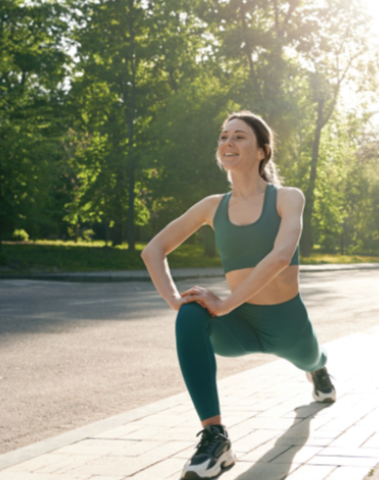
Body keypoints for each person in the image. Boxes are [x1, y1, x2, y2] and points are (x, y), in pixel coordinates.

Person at [141, 111, 335, 480]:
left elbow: (280, 256)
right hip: (239, 327)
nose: (228, 142)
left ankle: (319, 370)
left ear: (262, 151)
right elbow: (153, 251)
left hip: (288, 323)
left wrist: (225, 302)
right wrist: (176, 303)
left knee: (310, 356)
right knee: (191, 312)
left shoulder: (287, 198)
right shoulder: (212, 206)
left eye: (239, 137)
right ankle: (215, 438)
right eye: (223, 136)